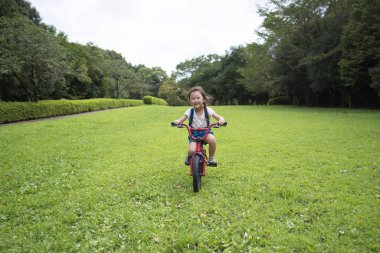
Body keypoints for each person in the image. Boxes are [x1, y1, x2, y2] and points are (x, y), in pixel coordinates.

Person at [173, 86, 226, 167]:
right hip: (193, 134)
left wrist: (221, 120)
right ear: (190, 101)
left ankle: (211, 158)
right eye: (193, 98)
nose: (196, 100)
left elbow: (219, 117)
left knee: (212, 140)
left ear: (203, 99)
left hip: (206, 132)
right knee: (191, 150)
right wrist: (177, 122)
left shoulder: (208, 110)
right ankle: (189, 156)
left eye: (198, 98)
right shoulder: (189, 111)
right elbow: (181, 119)